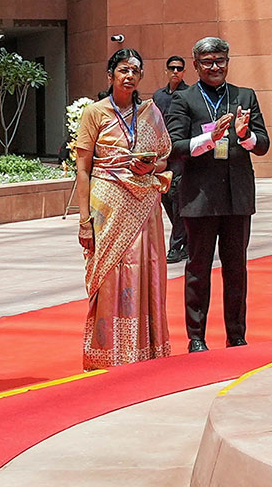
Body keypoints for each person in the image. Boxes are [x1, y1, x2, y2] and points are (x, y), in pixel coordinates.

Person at [166, 37, 269, 352]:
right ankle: (196, 337)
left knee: (236, 268)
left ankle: (236, 335)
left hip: (237, 196)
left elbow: (263, 144)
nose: (215, 67)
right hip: (199, 197)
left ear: (227, 62)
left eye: (220, 61)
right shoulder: (183, 99)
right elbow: (174, 147)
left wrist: (245, 136)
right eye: (208, 62)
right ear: (196, 65)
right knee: (198, 269)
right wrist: (209, 138)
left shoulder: (244, 96)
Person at [72, 48, 172, 369]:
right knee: (110, 273)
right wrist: (84, 221)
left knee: (146, 268)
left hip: (145, 204)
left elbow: (164, 157)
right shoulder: (95, 113)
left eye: (135, 71)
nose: (129, 76)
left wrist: (151, 166)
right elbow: (83, 169)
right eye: (123, 70)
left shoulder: (150, 113)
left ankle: (146, 348)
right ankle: (109, 351)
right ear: (110, 75)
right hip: (107, 205)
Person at [153, 56, 190, 263]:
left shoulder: (189, 94)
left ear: (184, 71)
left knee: (177, 198)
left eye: (179, 68)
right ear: (166, 70)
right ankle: (186, 241)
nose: (175, 71)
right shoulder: (159, 96)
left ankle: (176, 246)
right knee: (166, 197)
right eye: (172, 68)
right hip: (162, 154)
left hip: (181, 154)